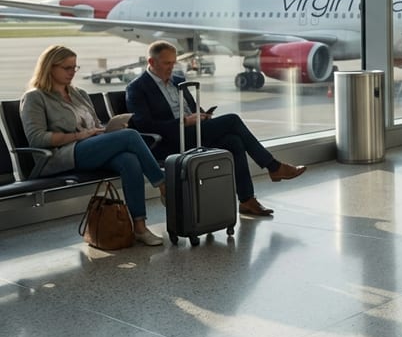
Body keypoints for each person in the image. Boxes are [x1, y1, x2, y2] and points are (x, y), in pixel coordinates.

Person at [127, 41, 306, 216]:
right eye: (167, 63)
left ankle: (247, 200)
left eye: (173, 62)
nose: (171, 67)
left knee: (234, 141)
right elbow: (145, 125)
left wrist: (203, 115)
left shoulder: (178, 81)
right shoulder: (137, 88)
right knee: (233, 120)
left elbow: (193, 108)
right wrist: (184, 122)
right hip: (170, 140)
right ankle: (273, 167)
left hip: (194, 132)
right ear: (151, 62)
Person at [21, 45, 167, 245]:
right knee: (130, 136)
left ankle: (140, 228)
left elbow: (95, 125)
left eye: (75, 67)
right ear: (49, 67)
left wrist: (107, 131)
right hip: (61, 156)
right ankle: (163, 184)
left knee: (129, 160)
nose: (72, 72)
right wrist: (78, 135)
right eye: (67, 68)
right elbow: (37, 138)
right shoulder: (35, 98)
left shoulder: (78, 93)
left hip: (90, 148)